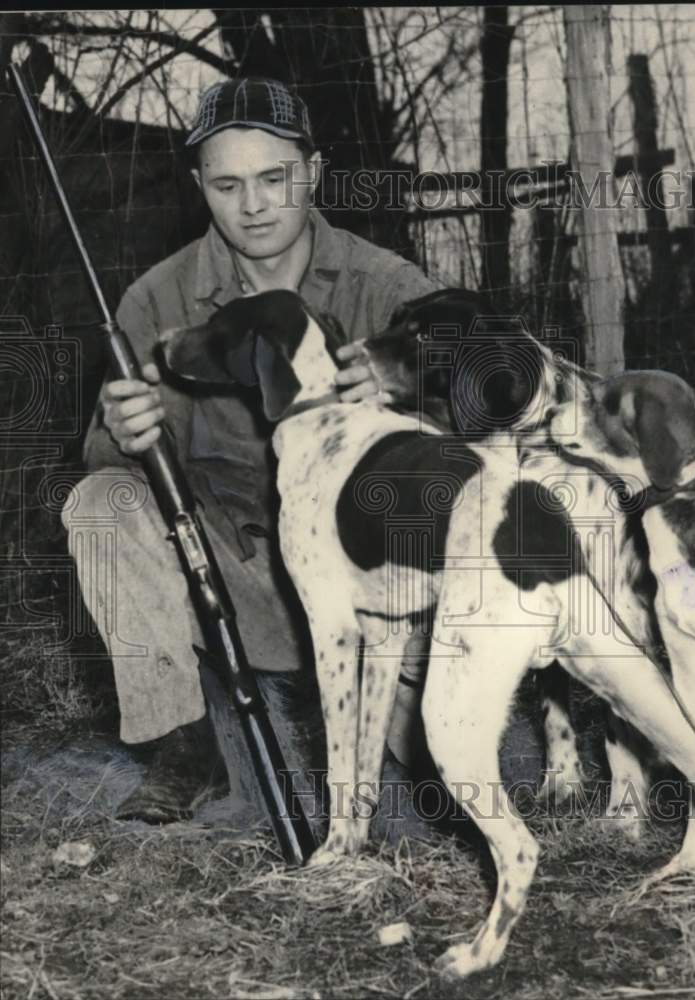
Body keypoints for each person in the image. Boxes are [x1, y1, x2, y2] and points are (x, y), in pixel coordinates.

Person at [63, 77, 441, 825]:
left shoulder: (390, 287)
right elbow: (105, 465)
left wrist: (405, 398)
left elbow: (480, 432)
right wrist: (121, 429)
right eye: (228, 183)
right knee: (101, 506)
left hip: (373, 580)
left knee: (443, 775)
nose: (255, 204)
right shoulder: (156, 300)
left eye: (276, 178)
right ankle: (183, 739)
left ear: (316, 172)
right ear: (199, 186)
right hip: (233, 573)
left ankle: (415, 703)